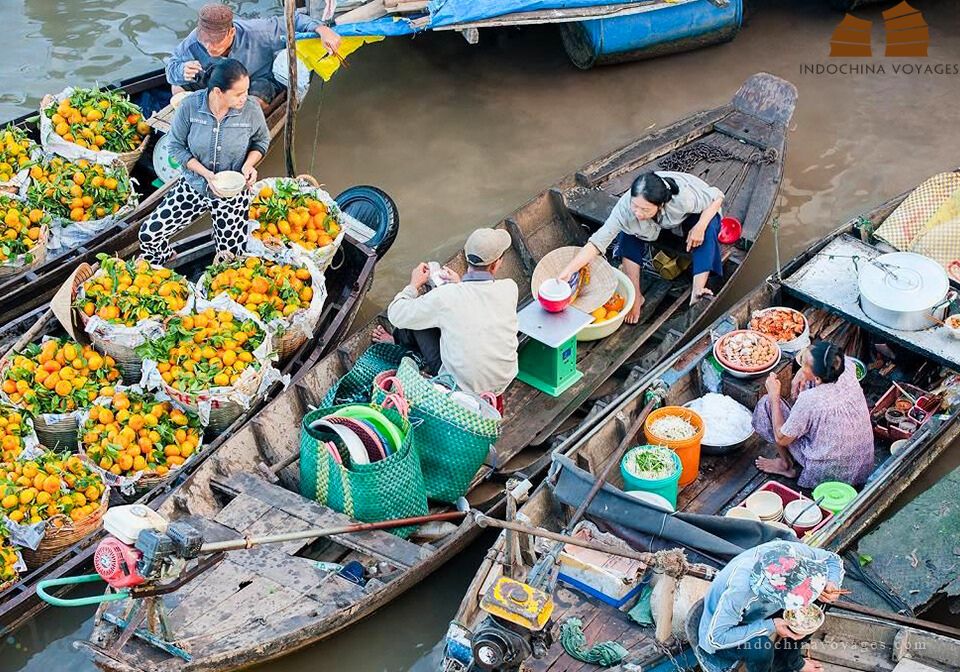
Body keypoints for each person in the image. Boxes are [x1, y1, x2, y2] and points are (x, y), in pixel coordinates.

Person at [139, 59, 269, 265]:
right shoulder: (190, 106)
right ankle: (164, 261)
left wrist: (248, 165)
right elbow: (175, 146)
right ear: (218, 92)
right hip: (194, 186)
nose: (245, 97)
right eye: (238, 94)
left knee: (230, 257)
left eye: (246, 90)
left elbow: (261, 140)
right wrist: (206, 174)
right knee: (149, 235)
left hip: (232, 192)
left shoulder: (251, 109)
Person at [558, 171, 725, 323]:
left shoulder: (683, 199)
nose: (637, 212)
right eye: (635, 205)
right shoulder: (625, 208)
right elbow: (597, 242)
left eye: (644, 209)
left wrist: (700, 226)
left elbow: (717, 196)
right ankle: (636, 295)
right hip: (655, 225)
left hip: (696, 213)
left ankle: (697, 290)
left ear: (660, 206)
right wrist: (569, 270)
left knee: (708, 231)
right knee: (626, 233)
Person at [373, 229, 519, 401]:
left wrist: (413, 284)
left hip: (460, 387)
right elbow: (479, 300)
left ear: (466, 257)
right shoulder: (510, 288)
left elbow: (396, 314)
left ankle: (396, 341)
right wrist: (459, 284)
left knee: (419, 317)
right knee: (444, 316)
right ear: (495, 265)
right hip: (503, 381)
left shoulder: (447, 296)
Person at [698, 540, 845, 672]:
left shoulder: (788, 552)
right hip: (727, 630)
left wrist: (832, 583)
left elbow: (832, 559)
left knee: (819, 601)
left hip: (763, 610)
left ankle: (789, 659)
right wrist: (771, 625)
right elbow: (715, 638)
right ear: (771, 593)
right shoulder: (739, 592)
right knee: (760, 648)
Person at [165, 3, 341, 109]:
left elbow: (295, 20)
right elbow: (171, 68)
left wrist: (322, 29)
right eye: (204, 40)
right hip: (216, 80)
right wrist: (181, 70)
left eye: (216, 41)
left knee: (254, 106)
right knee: (177, 88)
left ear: (231, 32)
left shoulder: (258, 32)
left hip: (255, 79)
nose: (209, 47)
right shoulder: (193, 40)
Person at [752, 341, 874, 488]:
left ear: (817, 378)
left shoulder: (810, 401)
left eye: (803, 365)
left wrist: (774, 396)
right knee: (806, 387)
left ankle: (785, 465)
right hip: (859, 465)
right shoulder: (847, 366)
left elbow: (781, 438)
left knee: (767, 404)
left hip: (826, 471)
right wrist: (800, 374)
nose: (801, 367)